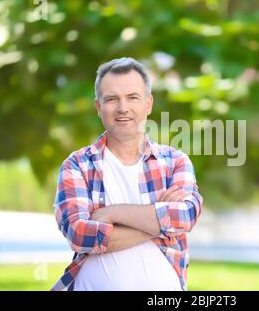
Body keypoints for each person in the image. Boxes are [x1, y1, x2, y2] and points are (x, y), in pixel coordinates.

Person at [51, 57, 203, 291]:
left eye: (133, 97)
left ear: (148, 104)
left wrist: (111, 213)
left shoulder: (175, 161)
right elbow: (79, 234)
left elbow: (184, 218)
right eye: (112, 99)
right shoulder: (78, 165)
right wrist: (159, 220)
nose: (123, 108)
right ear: (98, 106)